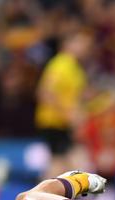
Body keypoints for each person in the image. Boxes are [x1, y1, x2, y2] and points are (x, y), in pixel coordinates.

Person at [35, 30, 93, 179]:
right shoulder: (61, 64)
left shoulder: (76, 68)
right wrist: (67, 114)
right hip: (54, 123)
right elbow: (45, 92)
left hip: (65, 125)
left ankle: (48, 197)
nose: (86, 47)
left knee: (70, 165)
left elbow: (77, 97)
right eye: (81, 42)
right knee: (62, 165)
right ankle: (42, 197)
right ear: (68, 44)